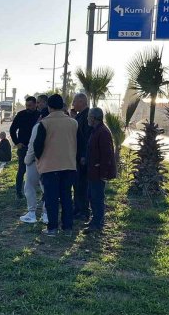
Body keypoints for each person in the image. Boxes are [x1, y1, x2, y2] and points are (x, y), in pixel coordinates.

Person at [33, 94, 78, 236]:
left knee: (51, 199)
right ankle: (68, 228)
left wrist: (39, 160)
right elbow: (80, 142)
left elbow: (37, 146)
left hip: (50, 166)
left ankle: (52, 228)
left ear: (49, 107)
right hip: (69, 165)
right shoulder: (73, 123)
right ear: (62, 105)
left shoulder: (44, 123)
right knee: (66, 197)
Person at [84, 108, 117, 234]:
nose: (87, 119)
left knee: (97, 197)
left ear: (93, 118)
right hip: (93, 171)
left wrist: (103, 173)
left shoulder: (103, 132)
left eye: (89, 116)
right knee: (92, 196)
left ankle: (97, 223)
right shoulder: (96, 130)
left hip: (98, 172)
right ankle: (95, 220)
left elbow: (106, 154)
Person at [21, 107, 49, 224]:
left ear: (41, 116)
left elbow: (32, 145)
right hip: (49, 162)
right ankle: (46, 214)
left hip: (34, 162)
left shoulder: (38, 126)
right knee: (47, 189)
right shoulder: (57, 126)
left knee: (29, 187)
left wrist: (27, 160)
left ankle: (32, 213)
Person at [9, 96, 40, 199]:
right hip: (24, 147)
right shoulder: (21, 115)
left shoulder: (40, 115)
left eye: (30, 106)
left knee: (39, 170)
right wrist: (17, 142)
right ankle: (18, 192)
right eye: (27, 105)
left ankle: (38, 191)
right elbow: (12, 130)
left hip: (37, 148)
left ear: (36, 104)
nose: (28, 107)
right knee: (21, 170)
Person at [72, 93, 91, 221]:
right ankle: (78, 208)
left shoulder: (87, 117)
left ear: (81, 102)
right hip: (78, 156)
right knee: (77, 184)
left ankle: (83, 211)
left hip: (82, 157)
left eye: (75, 102)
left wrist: (84, 155)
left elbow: (86, 138)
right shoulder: (80, 116)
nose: (73, 104)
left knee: (82, 185)